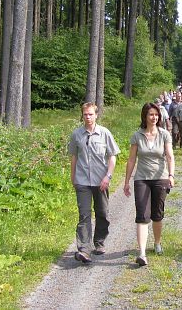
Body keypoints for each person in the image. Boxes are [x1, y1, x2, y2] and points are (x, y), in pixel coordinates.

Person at [68, 102, 121, 263]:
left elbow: (112, 155)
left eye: (91, 114)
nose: (88, 117)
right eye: (85, 114)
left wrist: (108, 176)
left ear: (96, 115)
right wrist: (73, 178)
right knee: (84, 214)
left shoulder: (104, 133)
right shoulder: (77, 134)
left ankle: (99, 242)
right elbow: (74, 157)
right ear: (82, 115)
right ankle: (84, 248)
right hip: (82, 180)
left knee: (102, 213)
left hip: (101, 180)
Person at [124, 103, 176, 267]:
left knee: (157, 214)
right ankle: (142, 252)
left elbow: (169, 156)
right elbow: (132, 159)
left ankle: (157, 242)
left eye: (156, 115)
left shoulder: (164, 134)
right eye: (150, 115)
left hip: (160, 178)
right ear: (145, 117)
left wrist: (171, 175)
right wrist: (126, 181)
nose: (153, 117)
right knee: (142, 215)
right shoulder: (137, 135)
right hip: (142, 178)